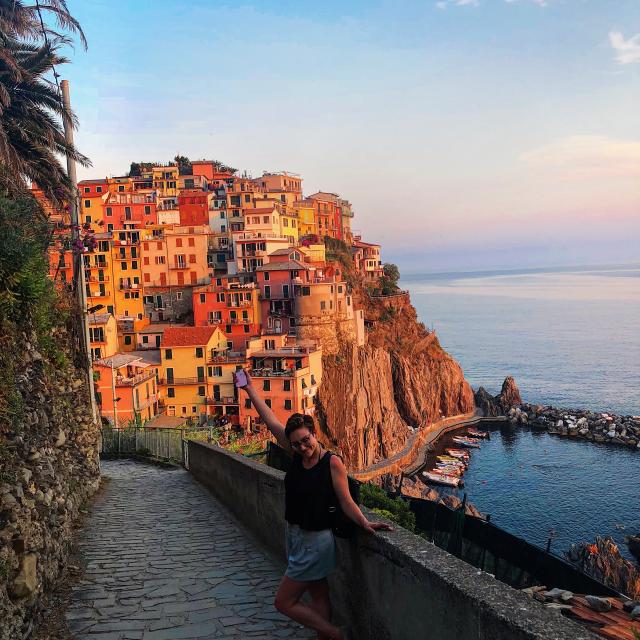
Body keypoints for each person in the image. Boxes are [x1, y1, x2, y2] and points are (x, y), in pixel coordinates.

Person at [234, 369, 392, 640]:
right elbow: (270, 420)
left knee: (283, 602)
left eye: (306, 440)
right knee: (319, 593)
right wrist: (249, 389)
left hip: (316, 541)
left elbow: (345, 500)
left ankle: (334, 633)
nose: (302, 446)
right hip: (295, 535)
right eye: (296, 444)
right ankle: (324, 636)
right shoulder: (295, 455)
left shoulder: (332, 463)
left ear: (314, 434)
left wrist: (364, 522)